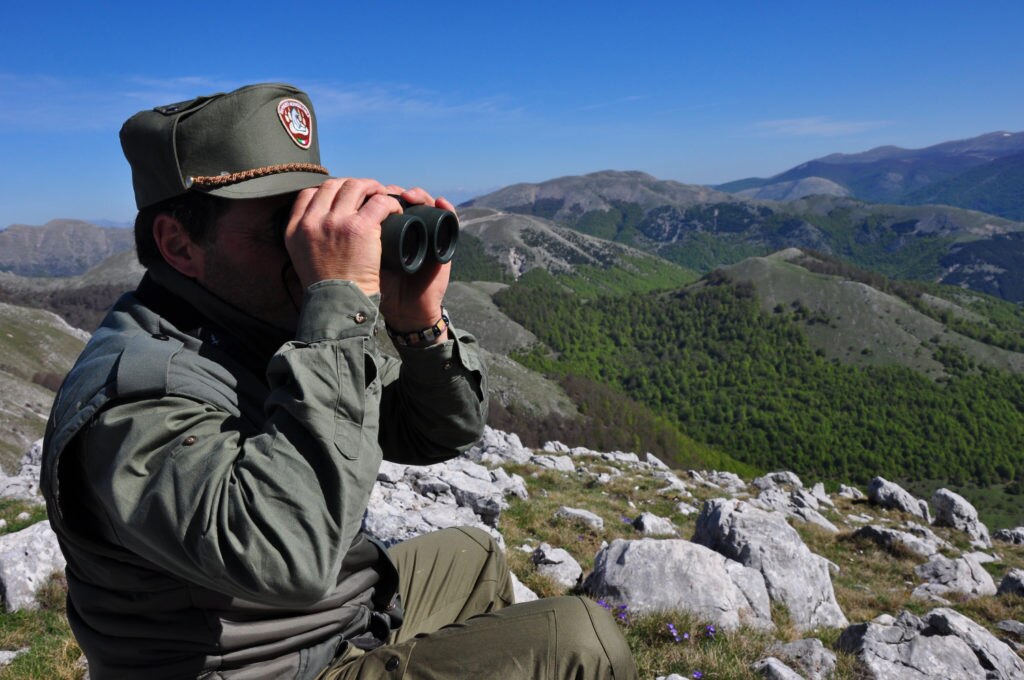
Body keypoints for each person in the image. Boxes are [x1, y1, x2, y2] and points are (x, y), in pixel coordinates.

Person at [40, 82, 638, 680]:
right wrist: (336, 312)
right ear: (180, 244)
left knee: (473, 556)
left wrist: (417, 324)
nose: (310, 243)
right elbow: (285, 555)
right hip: (261, 666)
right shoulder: (134, 394)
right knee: (582, 638)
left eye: (315, 212)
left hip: (326, 622)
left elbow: (436, 433)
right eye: (284, 227)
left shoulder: (240, 323)